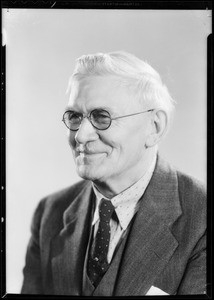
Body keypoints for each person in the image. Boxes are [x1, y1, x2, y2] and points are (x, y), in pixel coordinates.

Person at [21, 51, 206, 296]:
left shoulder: (203, 215)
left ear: (155, 127)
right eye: (75, 116)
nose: (81, 135)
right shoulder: (50, 213)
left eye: (101, 117)